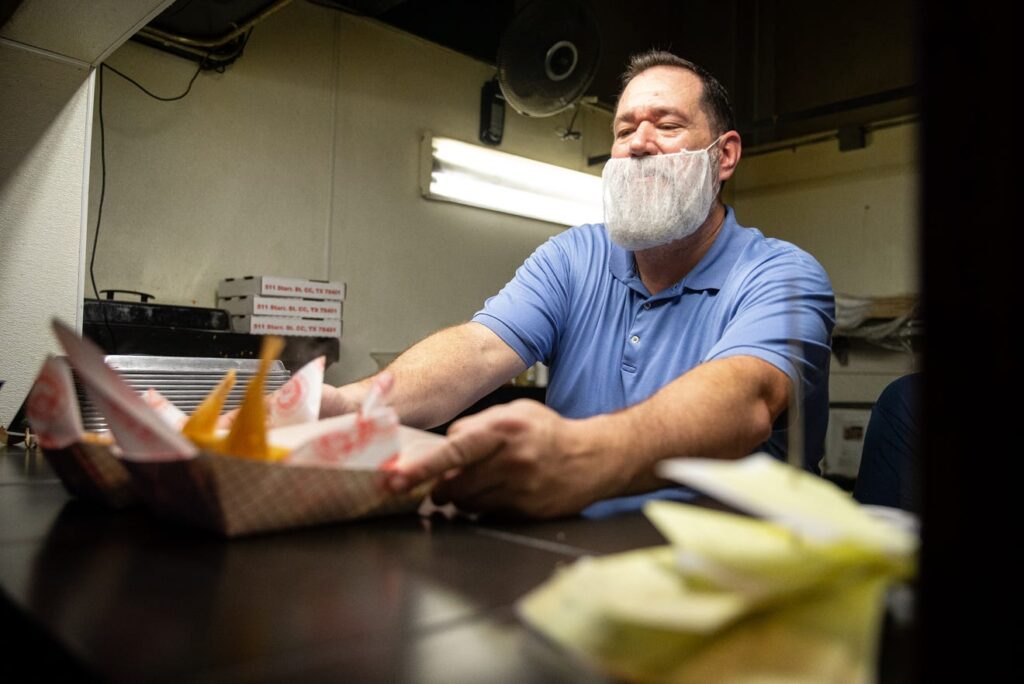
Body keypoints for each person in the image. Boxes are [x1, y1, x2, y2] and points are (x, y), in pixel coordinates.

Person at [321, 50, 835, 518]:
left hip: (728, 568)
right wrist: (353, 406)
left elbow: (745, 401)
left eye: (667, 125)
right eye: (624, 130)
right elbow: (480, 349)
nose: (639, 143)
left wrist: (579, 453)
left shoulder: (781, 274)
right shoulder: (574, 257)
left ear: (724, 156)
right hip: (571, 552)